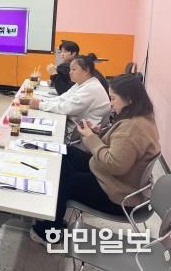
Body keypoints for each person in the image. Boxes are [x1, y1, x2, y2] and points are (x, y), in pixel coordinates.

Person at [30, 74, 161, 244]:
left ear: (129, 99)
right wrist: (97, 134)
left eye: (113, 98)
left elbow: (114, 164)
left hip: (117, 195)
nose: (111, 103)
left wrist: (91, 137)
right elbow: (120, 148)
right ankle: (51, 216)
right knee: (66, 153)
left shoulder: (132, 128)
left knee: (62, 180)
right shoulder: (143, 117)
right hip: (121, 182)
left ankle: (48, 232)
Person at [31, 55, 110, 143]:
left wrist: (40, 105)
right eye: (70, 69)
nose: (70, 73)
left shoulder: (91, 88)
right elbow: (63, 98)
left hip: (78, 137)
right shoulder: (82, 84)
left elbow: (67, 108)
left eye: (73, 69)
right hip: (73, 128)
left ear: (86, 71)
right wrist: (42, 101)